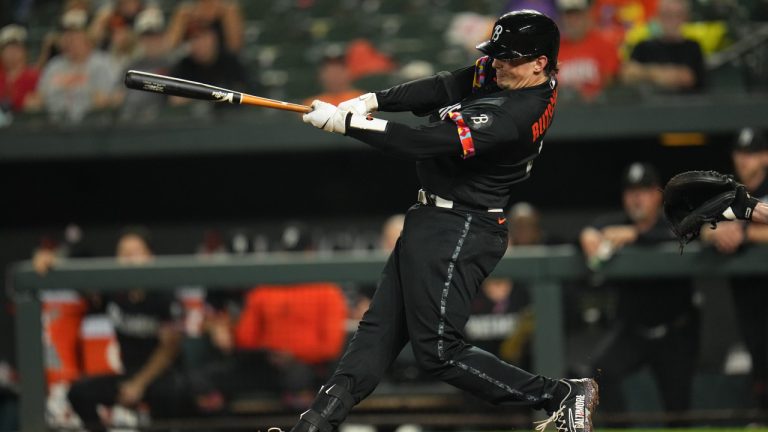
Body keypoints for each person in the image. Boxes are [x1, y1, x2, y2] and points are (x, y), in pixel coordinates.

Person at [296, 10, 598, 432]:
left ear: (539, 63)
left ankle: (558, 394)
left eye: (508, 58)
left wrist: (349, 124)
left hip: (463, 226)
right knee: (377, 333)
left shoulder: (516, 112)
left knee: (439, 351)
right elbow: (444, 86)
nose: (496, 63)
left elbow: (424, 143)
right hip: (434, 219)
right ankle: (316, 423)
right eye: (497, 55)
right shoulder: (509, 74)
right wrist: (375, 99)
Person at [579, 162, 699, 425]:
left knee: (679, 413)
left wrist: (635, 235)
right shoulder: (617, 223)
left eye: (643, 190)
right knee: (600, 371)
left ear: (657, 195)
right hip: (633, 330)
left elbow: (680, 234)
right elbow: (590, 231)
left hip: (674, 332)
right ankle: (622, 427)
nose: (636, 197)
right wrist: (589, 236)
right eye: (631, 191)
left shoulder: (675, 219)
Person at [65, 227, 193, 431]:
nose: (129, 259)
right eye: (124, 253)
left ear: (150, 256)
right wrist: (52, 261)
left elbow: (170, 347)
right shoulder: (114, 291)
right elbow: (82, 284)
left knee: (171, 393)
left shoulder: (164, 293)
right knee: (79, 393)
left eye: (136, 252)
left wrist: (138, 384)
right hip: (128, 374)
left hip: (163, 376)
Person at [701, 127, 768, 409]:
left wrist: (745, 233)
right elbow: (700, 224)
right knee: (759, 355)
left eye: (751, 154)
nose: (744, 161)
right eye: (740, 153)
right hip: (748, 291)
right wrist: (716, 233)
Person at [28, 9, 120, 123]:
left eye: (74, 34)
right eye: (65, 34)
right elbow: (37, 99)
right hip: (54, 129)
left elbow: (108, 100)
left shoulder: (103, 63)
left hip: (91, 130)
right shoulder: (54, 66)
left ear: (87, 36)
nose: (68, 39)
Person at [620, 0, 705, 93]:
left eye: (677, 15)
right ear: (658, 17)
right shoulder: (643, 46)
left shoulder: (692, 47)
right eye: (667, 15)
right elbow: (628, 74)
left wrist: (644, 73)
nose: (671, 21)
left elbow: (687, 78)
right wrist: (661, 74)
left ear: (685, 17)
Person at [168, 24, 250, 109]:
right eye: (194, 39)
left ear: (213, 39)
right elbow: (174, 99)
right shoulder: (184, 65)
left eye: (203, 38)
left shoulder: (230, 63)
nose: (199, 44)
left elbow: (243, 92)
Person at [555, 0, 620, 102]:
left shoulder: (605, 46)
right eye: (568, 16)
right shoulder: (553, 49)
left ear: (587, 16)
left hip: (598, 110)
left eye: (577, 16)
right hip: (564, 111)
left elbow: (610, 84)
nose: (572, 21)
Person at [117, 7, 172, 122]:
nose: (150, 41)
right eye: (146, 37)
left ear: (162, 37)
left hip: (159, 123)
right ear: (140, 40)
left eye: (154, 36)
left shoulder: (172, 65)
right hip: (128, 122)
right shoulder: (131, 67)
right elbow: (117, 95)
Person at [165, 0, 244, 53]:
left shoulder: (228, 12)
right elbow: (171, 45)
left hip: (223, 65)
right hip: (192, 66)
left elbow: (235, 46)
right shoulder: (185, 13)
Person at [0, 24, 39, 113]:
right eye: (8, 48)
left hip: (26, 124)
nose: (12, 52)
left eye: (16, 47)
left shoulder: (34, 76)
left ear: (25, 50)